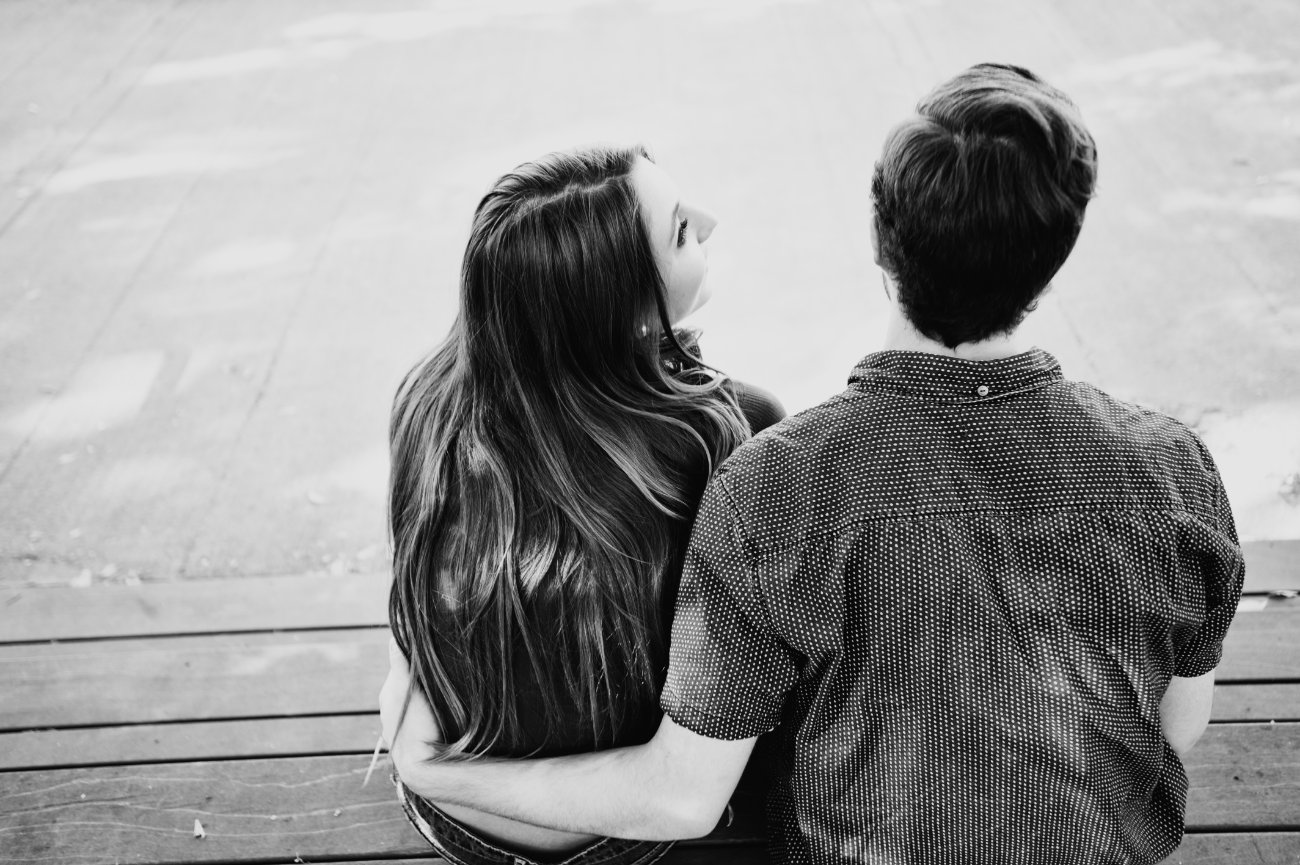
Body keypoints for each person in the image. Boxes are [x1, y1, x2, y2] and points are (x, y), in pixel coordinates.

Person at [382, 65, 1244, 865]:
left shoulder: (770, 483)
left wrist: (443, 768)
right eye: (682, 229)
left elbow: (683, 791)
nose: (710, 225)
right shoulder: (1174, 471)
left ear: (880, 239)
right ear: (1053, 264)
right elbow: (1179, 727)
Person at [383, 145, 785, 865]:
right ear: (627, 311)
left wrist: (428, 757)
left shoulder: (429, 402)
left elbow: (412, 608)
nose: (711, 221)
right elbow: (687, 790)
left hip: (453, 819)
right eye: (682, 231)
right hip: (624, 831)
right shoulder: (730, 433)